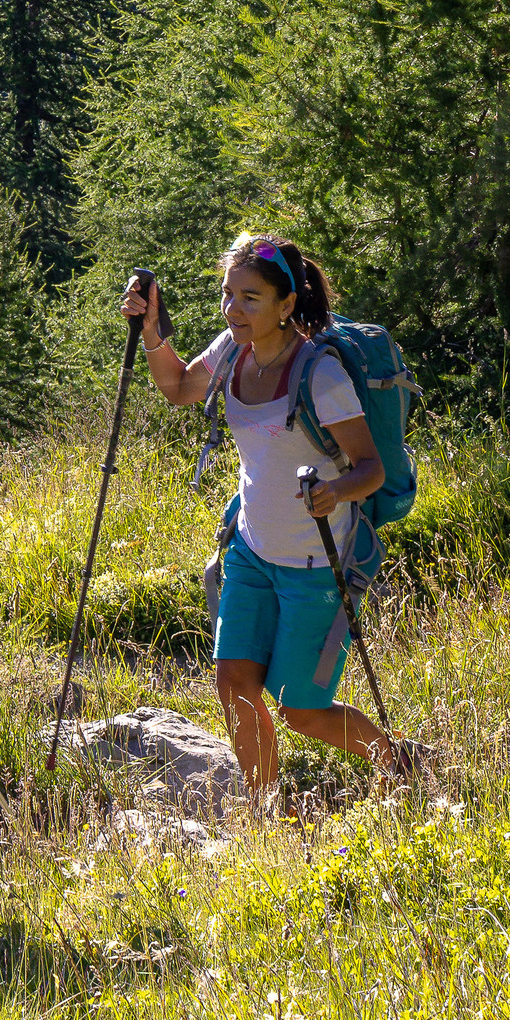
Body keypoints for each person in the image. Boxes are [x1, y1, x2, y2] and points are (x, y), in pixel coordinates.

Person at [123, 234, 396, 795]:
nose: (233, 309)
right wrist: (151, 330)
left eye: (249, 298)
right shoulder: (231, 350)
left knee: (303, 711)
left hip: (316, 563)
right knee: (233, 685)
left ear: (286, 304)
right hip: (251, 549)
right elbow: (177, 388)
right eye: (227, 295)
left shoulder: (320, 376)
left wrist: (336, 490)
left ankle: (400, 762)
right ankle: (269, 814)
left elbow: (372, 469)